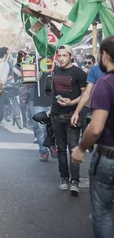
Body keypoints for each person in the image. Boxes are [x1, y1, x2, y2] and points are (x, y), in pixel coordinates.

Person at [71, 36, 114, 238]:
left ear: (104, 55)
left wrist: (80, 149)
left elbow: (96, 128)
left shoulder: (106, 83)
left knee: (103, 212)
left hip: (109, 157)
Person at [51, 44, 87, 196]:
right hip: (56, 115)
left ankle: (75, 181)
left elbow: (86, 95)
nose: (61, 58)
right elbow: (54, 93)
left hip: (73, 115)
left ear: (71, 56)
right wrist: (50, 110)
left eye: (64, 55)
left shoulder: (79, 73)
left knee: (73, 149)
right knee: (60, 149)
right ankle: (64, 178)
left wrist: (72, 103)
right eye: (59, 56)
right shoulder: (56, 70)